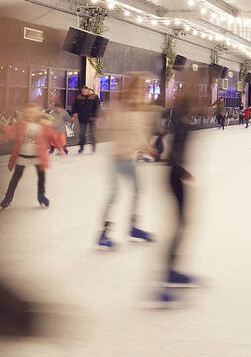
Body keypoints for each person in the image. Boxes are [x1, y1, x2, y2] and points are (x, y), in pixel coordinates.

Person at [97, 74, 156, 249]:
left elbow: (140, 133)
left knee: (138, 190)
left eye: (142, 89)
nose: (141, 92)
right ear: (131, 89)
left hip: (129, 158)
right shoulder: (121, 108)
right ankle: (103, 233)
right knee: (115, 194)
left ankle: (133, 227)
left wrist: (147, 149)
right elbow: (116, 130)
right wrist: (144, 148)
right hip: (117, 157)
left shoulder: (139, 109)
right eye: (138, 88)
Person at [157, 84, 198, 301]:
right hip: (174, 175)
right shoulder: (182, 122)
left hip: (176, 173)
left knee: (182, 224)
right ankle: (164, 279)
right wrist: (180, 169)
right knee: (180, 224)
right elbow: (174, 152)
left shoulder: (183, 120)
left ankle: (171, 271)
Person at [1, 104, 60, 210]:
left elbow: (53, 136)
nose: (30, 115)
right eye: (28, 113)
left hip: (38, 157)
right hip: (22, 156)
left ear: (38, 113)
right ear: (24, 113)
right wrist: (5, 127)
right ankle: (7, 199)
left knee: (41, 177)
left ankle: (41, 196)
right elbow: (10, 135)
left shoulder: (43, 125)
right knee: (15, 179)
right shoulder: (20, 124)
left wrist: (58, 146)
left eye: (33, 112)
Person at [72, 85, 100, 154]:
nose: (83, 92)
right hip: (82, 117)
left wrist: (95, 116)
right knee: (82, 133)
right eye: (82, 91)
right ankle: (81, 147)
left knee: (92, 133)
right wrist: (74, 112)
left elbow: (97, 107)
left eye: (84, 91)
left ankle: (93, 147)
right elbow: (74, 106)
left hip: (92, 117)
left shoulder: (94, 96)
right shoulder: (79, 96)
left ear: (88, 91)